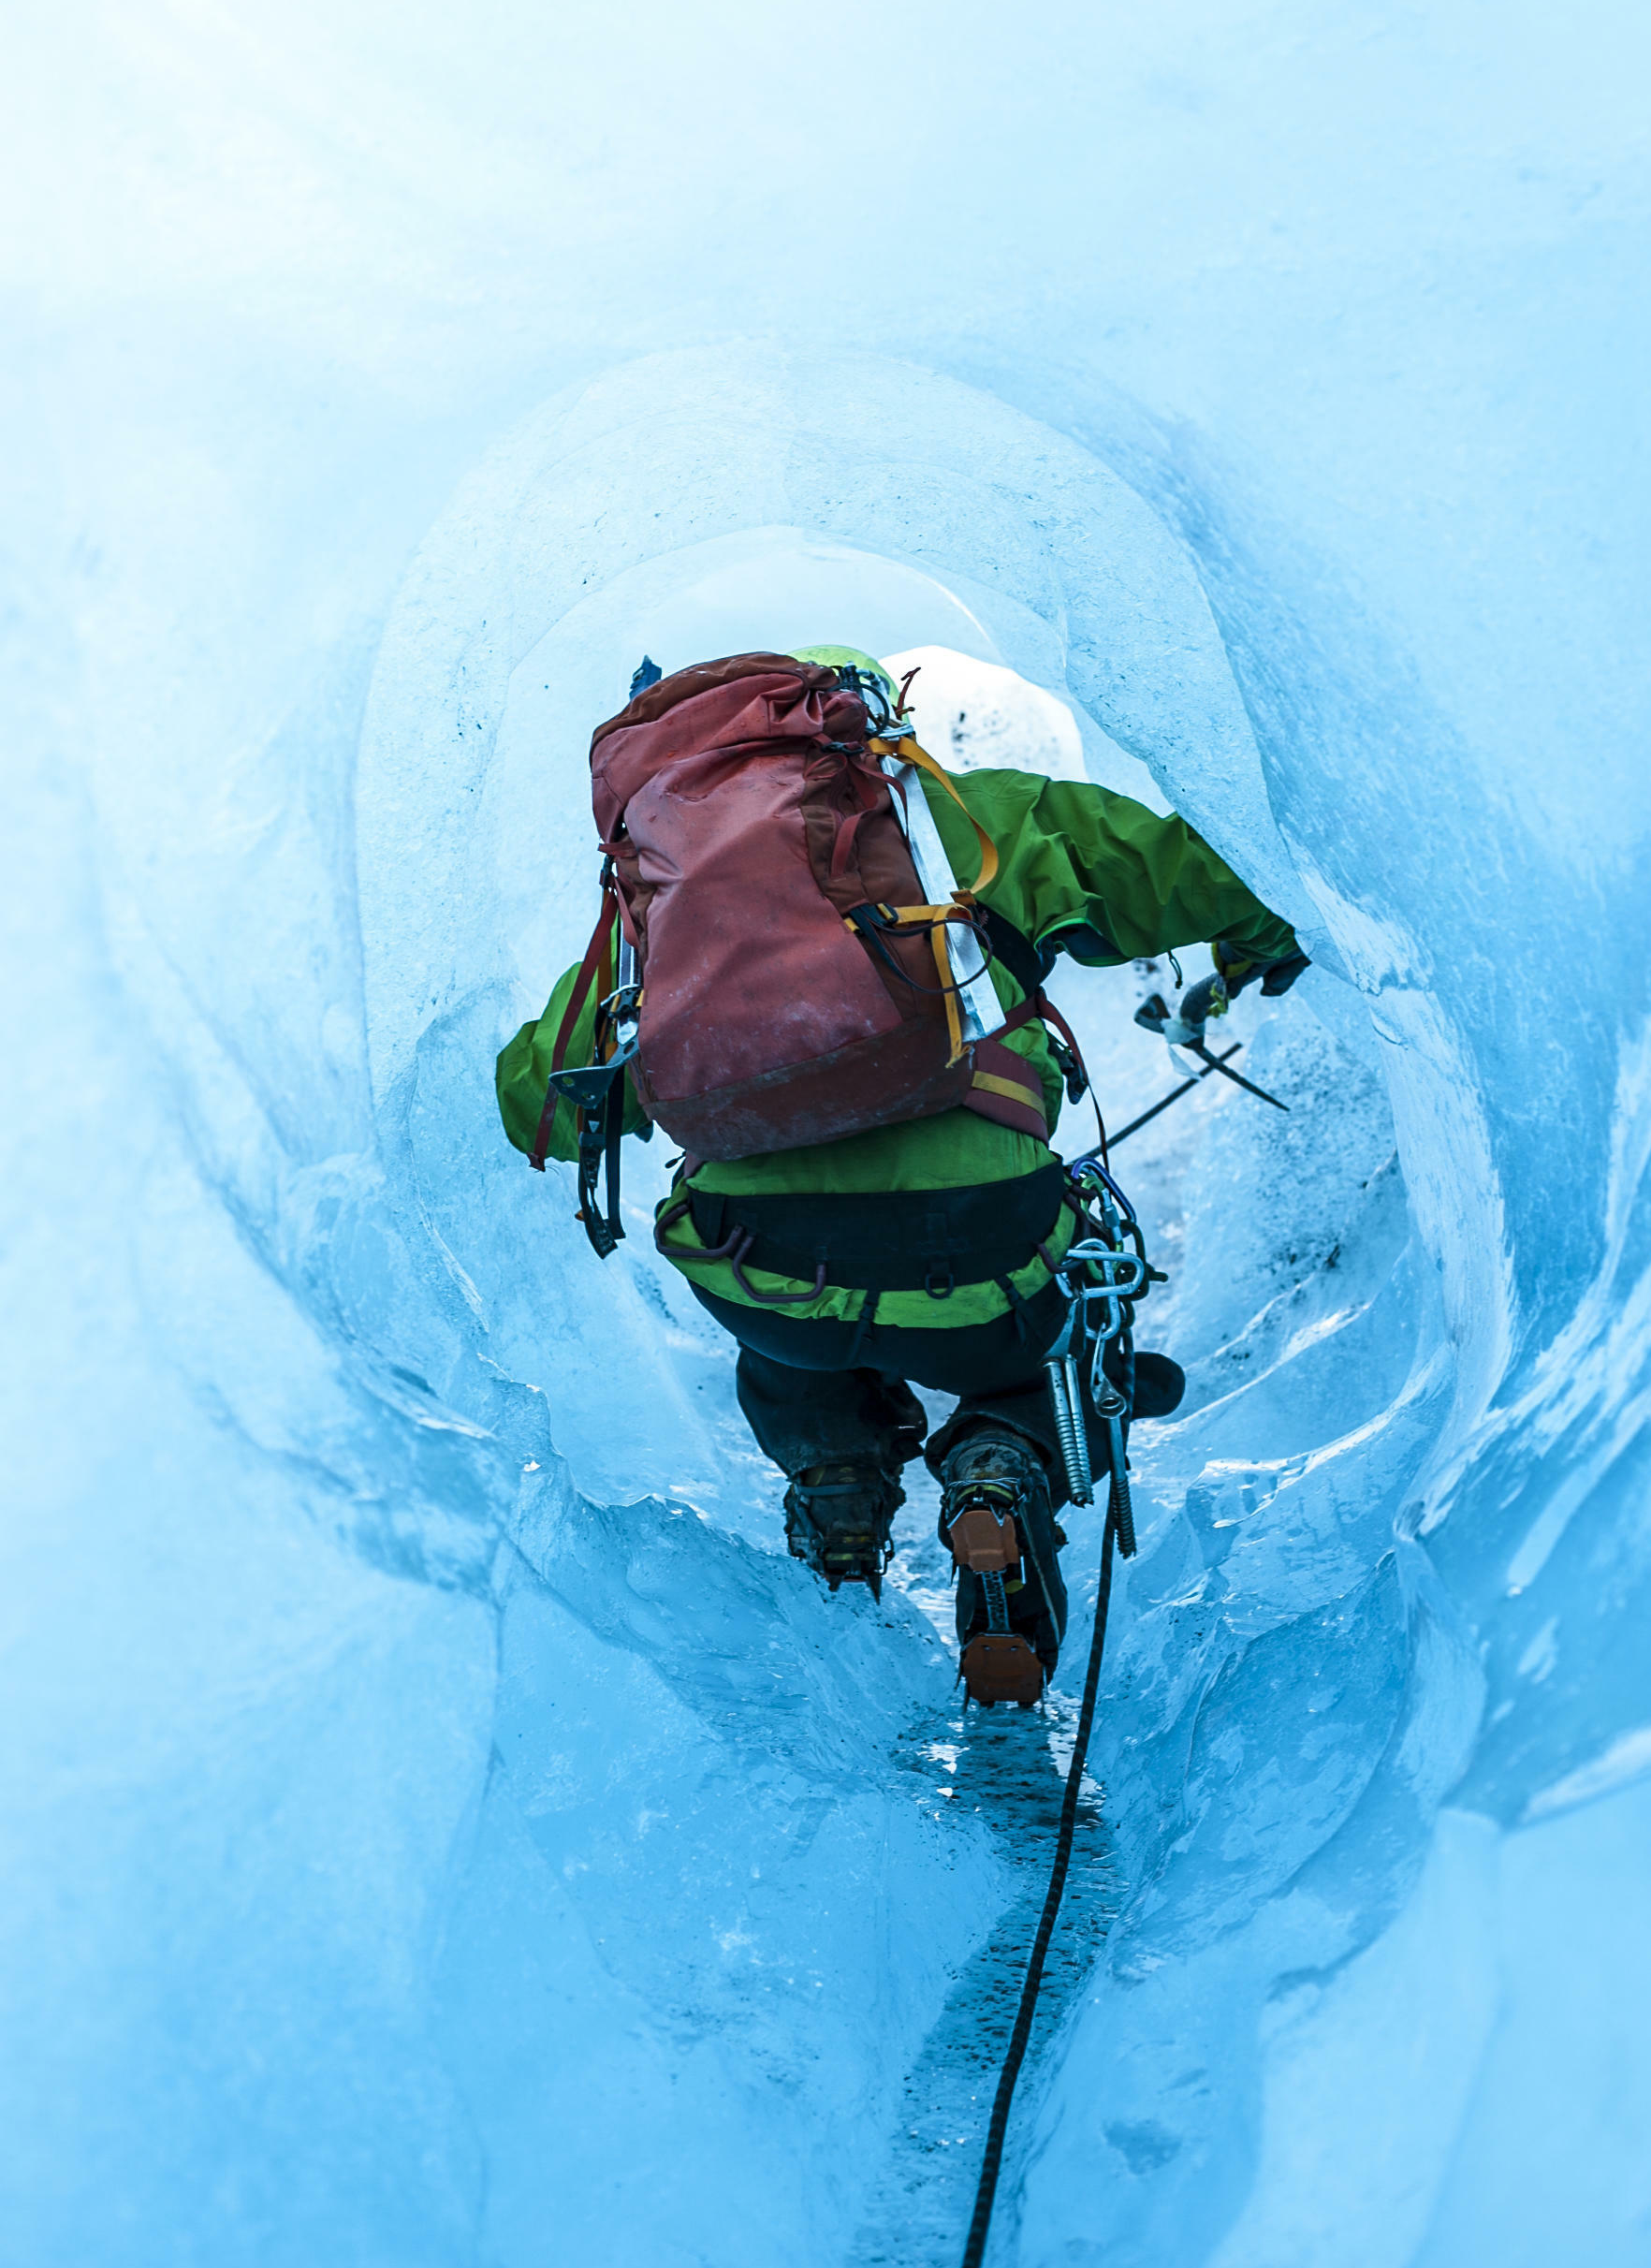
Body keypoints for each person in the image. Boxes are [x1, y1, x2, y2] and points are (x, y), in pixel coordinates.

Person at [497, 645, 1305, 1704]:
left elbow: (542, 1099)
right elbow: (1181, 872)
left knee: (789, 1337)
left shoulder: (670, 906)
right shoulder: (975, 824)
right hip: (982, 1250)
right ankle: (1002, 1465)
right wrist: (1264, 938)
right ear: (868, 728)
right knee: (1054, 1344)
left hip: (761, 1269)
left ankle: (836, 1484)